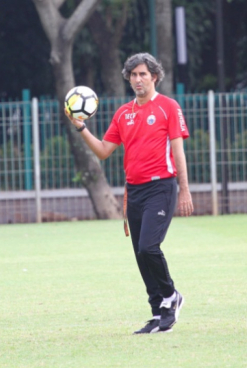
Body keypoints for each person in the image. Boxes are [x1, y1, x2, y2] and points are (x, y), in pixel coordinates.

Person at [66, 53, 194, 334]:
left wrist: (184, 189)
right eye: (133, 75)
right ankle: (158, 312)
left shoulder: (168, 107)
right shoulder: (124, 113)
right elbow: (103, 151)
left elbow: (178, 151)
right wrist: (81, 127)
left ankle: (172, 297)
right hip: (133, 191)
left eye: (143, 74)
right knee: (139, 253)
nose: (138, 79)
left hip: (161, 186)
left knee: (149, 246)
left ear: (154, 76)